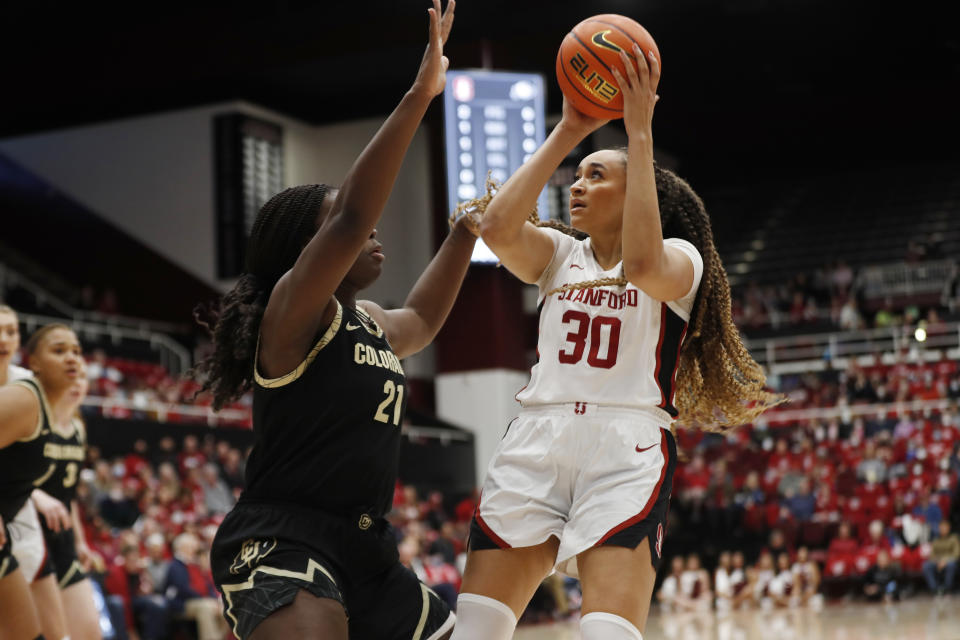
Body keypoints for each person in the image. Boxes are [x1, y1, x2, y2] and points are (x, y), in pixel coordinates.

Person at [449, 39, 781, 640]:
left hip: (625, 447)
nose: (575, 186)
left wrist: (638, 134)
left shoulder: (679, 259)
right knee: (474, 631)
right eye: (576, 176)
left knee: (605, 632)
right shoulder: (559, 255)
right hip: (537, 437)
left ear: (636, 195)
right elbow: (496, 228)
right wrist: (570, 129)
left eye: (595, 175)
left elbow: (645, 267)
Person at [196, 2, 471, 638]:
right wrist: (418, 95)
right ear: (308, 248)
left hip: (367, 549)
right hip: (283, 541)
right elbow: (352, 214)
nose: (369, 228)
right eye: (342, 225)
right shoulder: (291, 312)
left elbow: (424, 320)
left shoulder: (368, 319)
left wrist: (462, 233)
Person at [0, 323, 85, 640]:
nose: (72, 359)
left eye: (76, 351)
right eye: (59, 351)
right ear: (33, 362)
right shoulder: (26, 398)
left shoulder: (51, 410)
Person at [30, 360, 105, 640]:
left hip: (62, 542)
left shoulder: (78, 428)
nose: (77, 384)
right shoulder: (33, 420)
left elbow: (69, 496)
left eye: (83, 378)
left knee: (90, 632)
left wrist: (81, 541)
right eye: (72, 377)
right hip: (29, 536)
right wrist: (36, 496)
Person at [163, 532, 227, 640]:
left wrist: (214, 600)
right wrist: (205, 599)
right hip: (181, 603)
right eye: (192, 546)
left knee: (225, 608)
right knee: (205, 607)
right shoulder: (175, 565)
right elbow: (182, 589)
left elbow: (207, 584)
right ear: (183, 548)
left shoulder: (194, 564)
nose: (194, 549)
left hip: (198, 600)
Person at [922, 520, 959, 595]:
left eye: (945, 527)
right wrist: (938, 561)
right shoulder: (936, 540)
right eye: (941, 527)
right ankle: (934, 589)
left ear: (949, 528)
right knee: (926, 566)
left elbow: (956, 554)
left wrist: (945, 561)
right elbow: (932, 555)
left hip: (949, 561)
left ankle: (947, 588)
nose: (943, 529)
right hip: (937, 562)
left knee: (951, 565)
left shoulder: (954, 539)